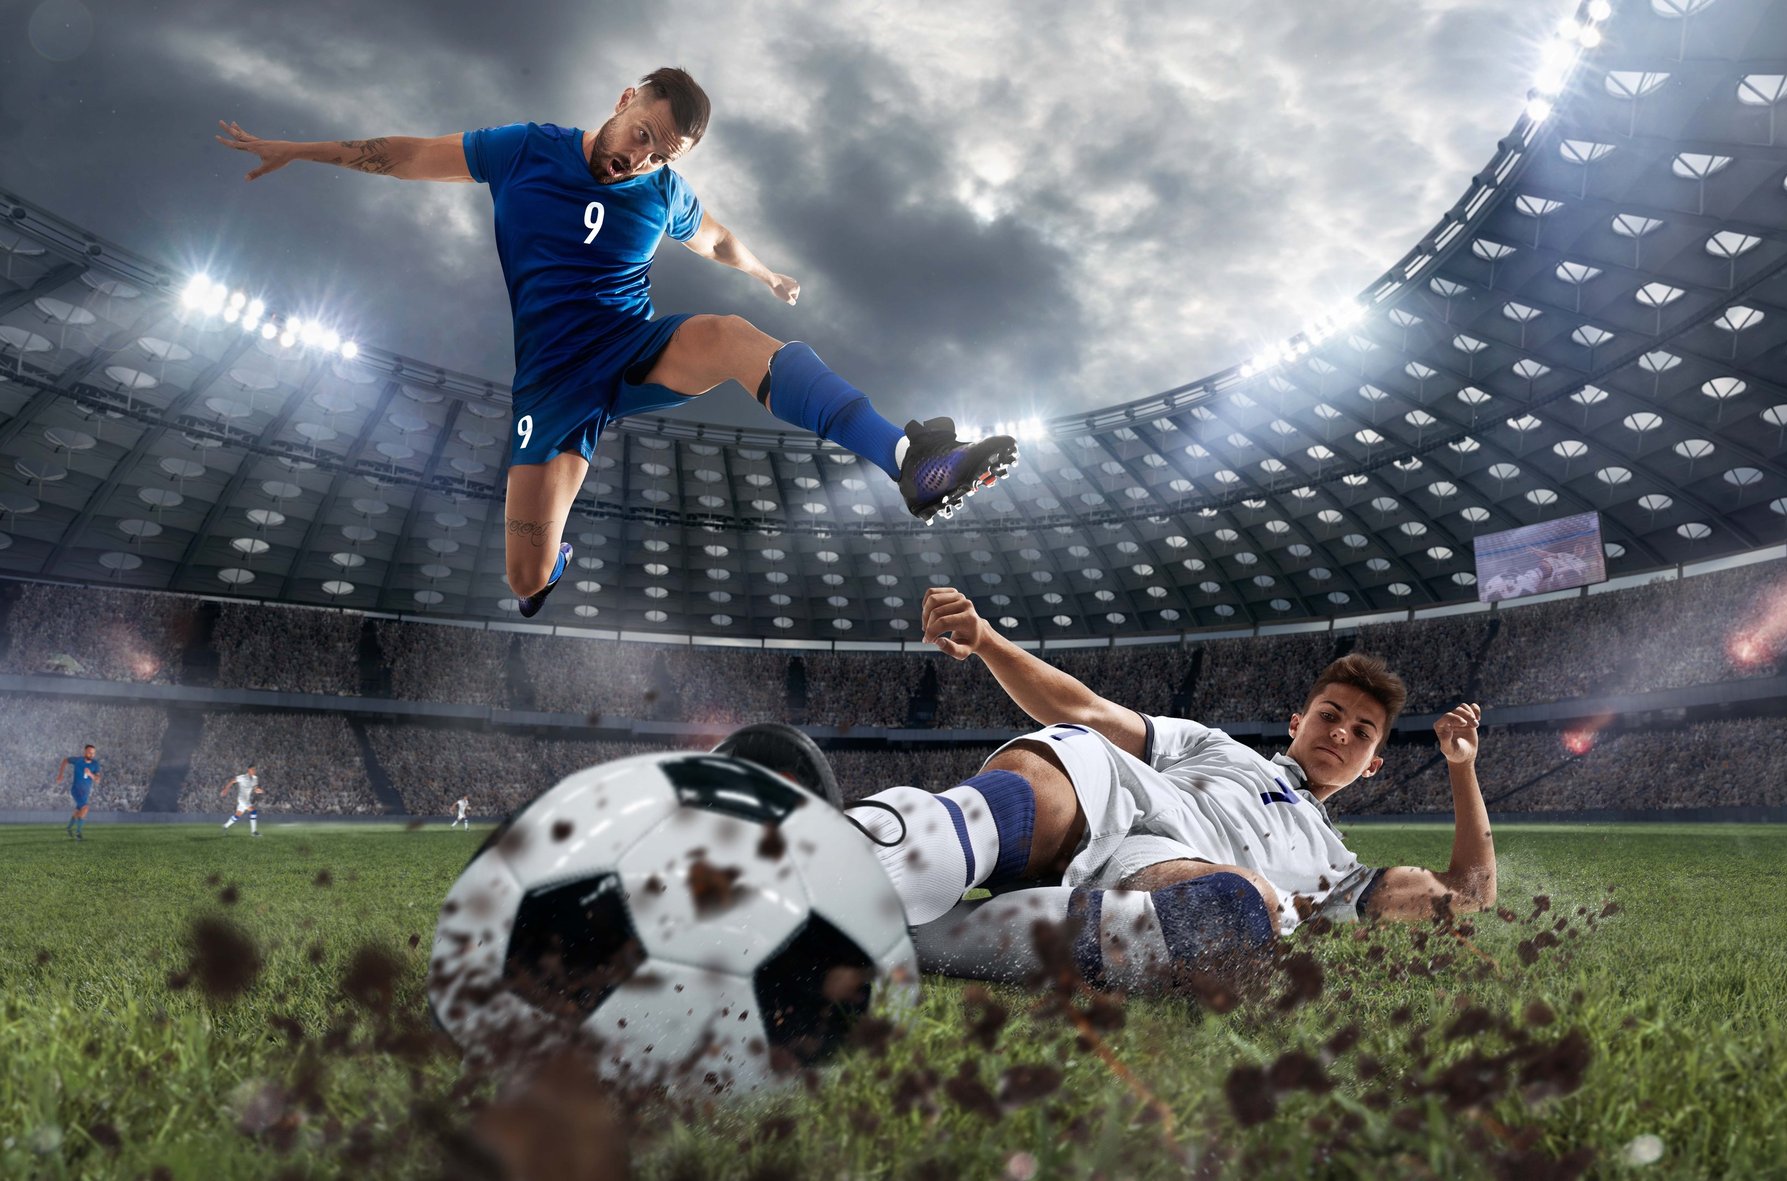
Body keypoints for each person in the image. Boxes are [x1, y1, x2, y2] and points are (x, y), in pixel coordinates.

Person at [215, 67, 1018, 618]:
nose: (636, 158)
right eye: (640, 135)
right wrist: (300, 148)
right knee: (524, 578)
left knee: (736, 338)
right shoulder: (525, 149)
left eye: (658, 154)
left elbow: (716, 240)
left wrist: (768, 276)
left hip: (634, 346)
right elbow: (404, 156)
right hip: (555, 387)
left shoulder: (662, 193)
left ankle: (909, 458)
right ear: (625, 97)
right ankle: (553, 565)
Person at [840, 588, 1495, 991]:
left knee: (1238, 911)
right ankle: (854, 860)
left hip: (1161, 881)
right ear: (1298, 722)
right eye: (1329, 714)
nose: (1341, 733)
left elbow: (1467, 898)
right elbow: (1088, 708)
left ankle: (908, 934)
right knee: (1077, 760)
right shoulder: (1214, 743)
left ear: (1373, 763)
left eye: (1362, 731)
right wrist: (987, 641)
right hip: (1115, 808)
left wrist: (1461, 768)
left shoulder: (1341, 871)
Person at [55, 743, 102, 841]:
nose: (91, 755)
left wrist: (90, 774)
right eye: (89, 752)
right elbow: (65, 760)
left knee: (78, 811)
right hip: (76, 789)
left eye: (93, 753)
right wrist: (60, 775)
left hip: (85, 792)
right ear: (85, 752)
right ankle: (78, 833)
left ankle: (68, 828)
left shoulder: (95, 764)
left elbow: (97, 779)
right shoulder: (78, 760)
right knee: (85, 808)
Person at [220, 765, 264, 836]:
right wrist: (226, 789)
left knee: (237, 815)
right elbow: (232, 781)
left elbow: (255, 788)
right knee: (253, 811)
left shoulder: (255, 778)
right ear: (249, 770)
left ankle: (225, 826)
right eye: (253, 769)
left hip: (247, 799)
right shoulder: (242, 777)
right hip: (241, 799)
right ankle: (254, 832)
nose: (254, 771)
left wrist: (258, 790)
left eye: (255, 769)